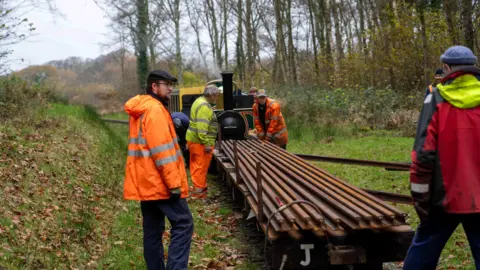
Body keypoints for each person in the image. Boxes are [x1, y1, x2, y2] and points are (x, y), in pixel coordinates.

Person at [403, 45, 480, 270]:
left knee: (422, 253)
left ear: (446, 68)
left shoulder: (435, 100)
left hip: (444, 198)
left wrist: (420, 201)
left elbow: (423, 156)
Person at [123, 69, 194, 270]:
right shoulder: (155, 110)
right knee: (184, 224)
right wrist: (174, 184)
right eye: (167, 85)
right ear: (154, 86)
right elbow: (162, 151)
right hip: (161, 183)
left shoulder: (141, 109)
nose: (171, 89)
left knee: (152, 231)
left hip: (146, 183)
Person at [185, 85, 220, 198]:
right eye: (217, 95)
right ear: (212, 95)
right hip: (200, 142)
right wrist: (206, 143)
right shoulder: (205, 107)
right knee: (201, 167)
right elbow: (202, 128)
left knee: (195, 165)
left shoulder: (198, 101)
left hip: (193, 140)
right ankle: (200, 193)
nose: (217, 98)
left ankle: (198, 188)